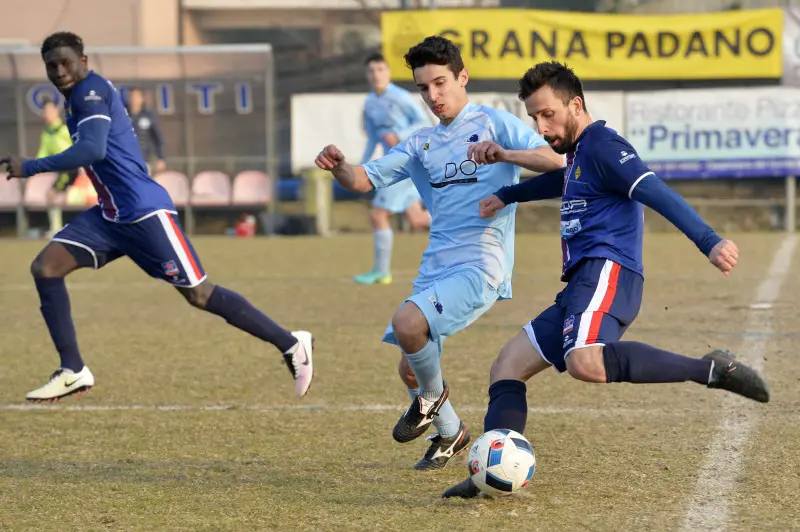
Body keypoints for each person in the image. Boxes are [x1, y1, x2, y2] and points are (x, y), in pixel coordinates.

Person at [441, 61, 770, 499]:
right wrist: (509, 193)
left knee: (585, 362)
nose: (541, 127)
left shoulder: (604, 144)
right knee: (507, 366)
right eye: (534, 117)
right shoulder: (581, 154)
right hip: (581, 281)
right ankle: (490, 473)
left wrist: (708, 240)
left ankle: (711, 368)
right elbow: (564, 179)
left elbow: (653, 189)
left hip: (608, 270)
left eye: (548, 114)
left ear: (575, 104)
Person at [1, 31, 314, 402]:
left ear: (83, 62)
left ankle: (292, 344)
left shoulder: (91, 92)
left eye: (66, 62)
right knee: (46, 268)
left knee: (199, 294)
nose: (59, 71)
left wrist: (32, 166)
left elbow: (93, 148)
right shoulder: (75, 101)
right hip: (110, 216)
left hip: (144, 211)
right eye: (52, 65)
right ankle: (73, 369)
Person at [314, 36, 563, 470]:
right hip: (436, 265)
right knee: (409, 368)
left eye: (441, 83)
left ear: (462, 77)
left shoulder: (493, 122)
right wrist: (339, 166)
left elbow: (554, 160)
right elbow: (361, 180)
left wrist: (503, 154)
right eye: (424, 88)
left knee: (408, 323)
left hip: (481, 264)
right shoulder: (420, 144)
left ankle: (431, 401)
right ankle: (451, 433)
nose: (433, 96)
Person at [354, 52, 432, 285]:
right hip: (393, 162)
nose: (376, 75)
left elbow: (426, 123)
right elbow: (372, 139)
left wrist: (399, 134)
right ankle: (463, 219)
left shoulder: (400, 97)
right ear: (367, 75)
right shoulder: (370, 102)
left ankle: (381, 272)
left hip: (406, 162)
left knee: (377, 214)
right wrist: (362, 167)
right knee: (417, 220)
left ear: (388, 72)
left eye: (381, 70)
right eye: (372, 71)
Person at [37, 98, 83, 236]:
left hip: (71, 168)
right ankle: (57, 228)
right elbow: (43, 152)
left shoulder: (64, 129)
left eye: (50, 111)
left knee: (52, 195)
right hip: (62, 170)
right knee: (54, 196)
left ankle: (57, 229)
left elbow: (79, 145)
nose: (47, 114)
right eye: (45, 111)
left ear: (56, 111)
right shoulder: (47, 133)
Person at [126, 86, 167, 174]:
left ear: (142, 98)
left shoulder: (149, 115)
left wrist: (161, 158)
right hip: (126, 161)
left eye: (136, 96)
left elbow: (158, 138)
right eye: (131, 97)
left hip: (144, 160)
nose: (134, 99)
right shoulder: (122, 115)